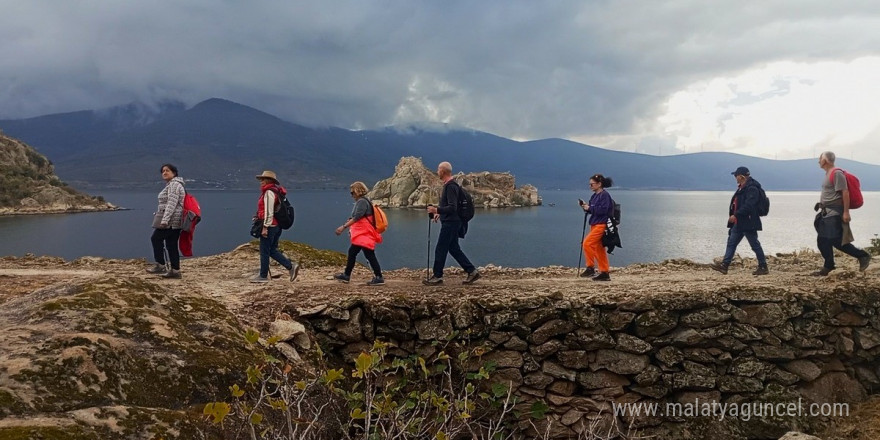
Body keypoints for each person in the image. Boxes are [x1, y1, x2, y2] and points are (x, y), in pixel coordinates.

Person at [812, 152, 871, 276]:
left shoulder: (836, 173)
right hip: (826, 212)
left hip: (834, 213)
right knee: (823, 240)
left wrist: (846, 212)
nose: (818, 161)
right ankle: (829, 265)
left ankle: (862, 255)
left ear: (825, 161)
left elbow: (845, 192)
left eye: (820, 159)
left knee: (834, 240)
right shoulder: (827, 173)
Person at [424, 162, 480, 285]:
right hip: (453, 221)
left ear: (443, 171)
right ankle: (472, 271)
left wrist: (436, 210)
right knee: (453, 248)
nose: (437, 171)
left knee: (441, 248)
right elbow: (450, 207)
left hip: (451, 223)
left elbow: (452, 207)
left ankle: (437, 276)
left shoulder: (450, 187)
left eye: (438, 169)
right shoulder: (452, 185)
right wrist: (440, 213)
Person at [710, 166, 769, 275]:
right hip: (739, 222)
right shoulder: (742, 187)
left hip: (748, 222)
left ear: (741, 176)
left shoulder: (752, 188)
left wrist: (735, 214)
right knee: (731, 242)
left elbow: (749, 205)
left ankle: (763, 266)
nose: (735, 178)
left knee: (754, 244)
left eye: (736, 176)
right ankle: (724, 266)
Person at [251, 171, 300, 283]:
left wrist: (265, 227)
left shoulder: (269, 192)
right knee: (272, 250)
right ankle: (291, 266)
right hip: (277, 225)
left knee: (264, 251)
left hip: (270, 226)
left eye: (263, 180)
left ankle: (263, 276)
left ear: (268, 180)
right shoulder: (276, 191)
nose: (261, 182)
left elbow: (269, 211)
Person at [334, 182, 385, 285]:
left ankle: (378, 277)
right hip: (364, 233)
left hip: (364, 233)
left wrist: (343, 227)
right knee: (359, 253)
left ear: (357, 191)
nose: (351, 195)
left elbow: (357, 217)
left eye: (352, 192)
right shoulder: (364, 201)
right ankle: (347, 275)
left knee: (365, 254)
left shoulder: (362, 202)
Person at [147, 163, 185, 279]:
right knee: (171, 245)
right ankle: (175, 270)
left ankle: (161, 265)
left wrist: (165, 219)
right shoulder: (173, 185)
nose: (164, 173)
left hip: (170, 221)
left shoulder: (174, 185)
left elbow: (171, 204)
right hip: (176, 221)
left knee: (155, 238)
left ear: (174, 173)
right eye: (163, 171)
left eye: (167, 170)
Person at [579, 174, 614, 281]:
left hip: (601, 224)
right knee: (599, 249)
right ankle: (604, 272)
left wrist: (590, 208)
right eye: (589, 184)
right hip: (595, 224)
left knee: (587, 243)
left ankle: (590, 268)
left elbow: (603, 210)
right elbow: (593, 210)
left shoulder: (604, 195)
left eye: (592, 184)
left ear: (599, 184)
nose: (590, 186)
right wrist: (585, 207)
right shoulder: (594, 196)